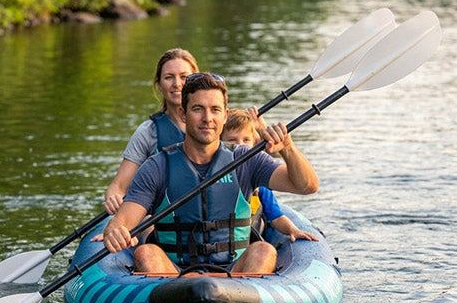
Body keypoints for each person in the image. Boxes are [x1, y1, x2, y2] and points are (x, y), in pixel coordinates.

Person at [102, 73, 318, 275]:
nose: (208, 118)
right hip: (173, 277)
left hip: (238, 275)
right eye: (198, 109)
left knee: (263, 250)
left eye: (215, 110)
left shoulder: (246, 160)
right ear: (182, 113)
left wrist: (288, 148)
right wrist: (115, 231)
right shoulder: (157, 166)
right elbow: (122, 221)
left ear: (225, 116)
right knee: (145, 252)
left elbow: (306, 186)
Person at [104, 48, 198, 215]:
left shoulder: (215, 125)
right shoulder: (148, 132)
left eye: (184, 77)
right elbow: (118, 187)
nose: (177, 84)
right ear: (159, 85)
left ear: (196, 82)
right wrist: (114, 197)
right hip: (160, 223)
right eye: (169, 77)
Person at [221, 109, 319, 243]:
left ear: (254, 143)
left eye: (246, 140)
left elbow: (276, 216)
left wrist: (292, 230)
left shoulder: (259, 185)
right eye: (232, 141)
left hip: (248, 241)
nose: (240, 146)